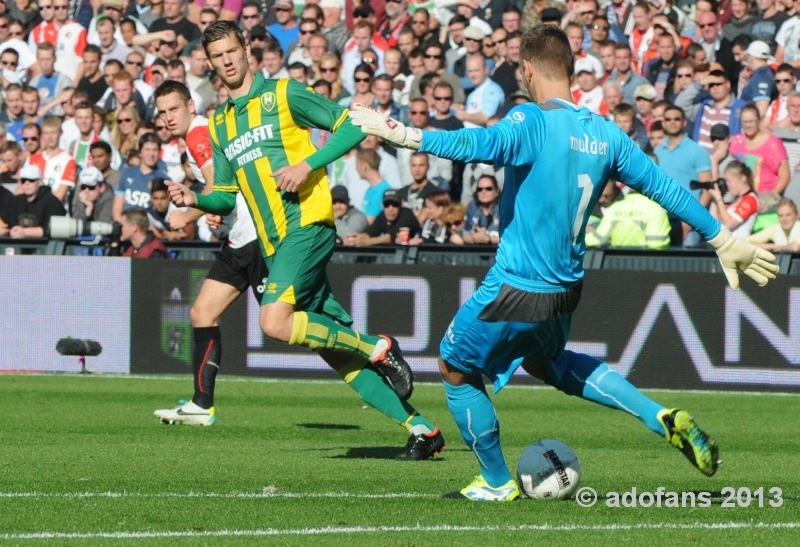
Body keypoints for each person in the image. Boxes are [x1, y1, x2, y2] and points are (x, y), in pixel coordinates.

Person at [350, 24, 779, 501]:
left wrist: (403, 133)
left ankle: (494, 482)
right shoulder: (605, 134)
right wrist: (721, 236)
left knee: (453, 366)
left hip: (516, 284)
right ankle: (656, 415)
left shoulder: (531, 120)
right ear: (572, 70)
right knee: (544, 361)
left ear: (527, 70)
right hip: (566, 289)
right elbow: (664, 187)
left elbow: (476, 146)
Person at [165, 21, 445, 460]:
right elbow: (224, 196)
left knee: (274, 322)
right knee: (332, 349)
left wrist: (309, 164)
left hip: (308, 223)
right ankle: (422, 429)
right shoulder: (219, 124)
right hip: (275, 244)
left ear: (245, 49)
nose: (226, 61)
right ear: (211, 64)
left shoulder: (284, 93)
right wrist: (194, 198)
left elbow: (352, 125)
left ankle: (378, 346)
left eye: (231, 51)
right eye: (217, 56)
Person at [0, 164, 65, 238]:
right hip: (17, 246)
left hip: (45, 246)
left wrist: (26, 232)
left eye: (31, 180)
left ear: (40, 182)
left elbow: (56, 229)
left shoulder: (52, 201)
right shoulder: (16, 201)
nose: (27, 183)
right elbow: (6, 224)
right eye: (23, 180)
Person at [709, 161, 760, 239]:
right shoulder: (736, 200)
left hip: (738, 247)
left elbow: (729, 224)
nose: (727, 184)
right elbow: (713, 222)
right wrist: (715, 198)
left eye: (729, 180)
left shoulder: (750, 200)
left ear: (743, 178)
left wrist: (718, 198)